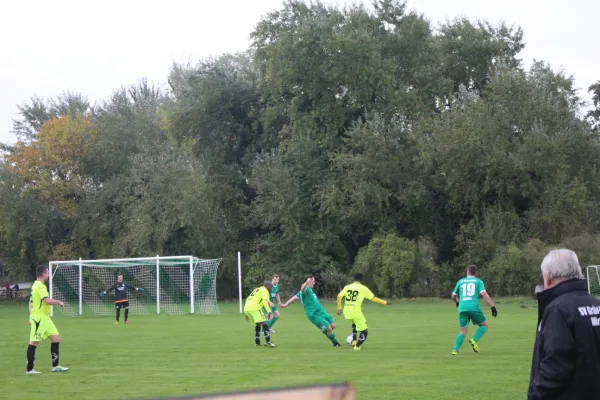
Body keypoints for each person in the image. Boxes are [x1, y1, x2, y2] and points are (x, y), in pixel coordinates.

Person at [528, 249, 600, 399]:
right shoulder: (596, 304)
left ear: (547, 278)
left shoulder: (559, 309)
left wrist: (535, 395)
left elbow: (556, 366)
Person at [26, 265, 69, 374]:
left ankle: (55, 366)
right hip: (39, 319)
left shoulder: (36, 285)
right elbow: (47, 301)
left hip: (45, 318)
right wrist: (59, 302)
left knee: (56, 338)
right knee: (34, 342)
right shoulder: (39, 286)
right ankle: (29, 369)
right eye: (48, 272)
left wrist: (31, 315)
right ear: (44, 274)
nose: (49, 275)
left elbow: (30, 304)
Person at [336, 273, 391, 351]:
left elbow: (339, 296)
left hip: (347, 311)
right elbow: (373, 298)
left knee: (354, 323)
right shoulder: (363, 288)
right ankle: (357, 346)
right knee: (365, 331)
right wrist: (385, 302)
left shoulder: (347, 287)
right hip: (355, 312)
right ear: (361, 280)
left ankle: (354, 341)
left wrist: (339, 309)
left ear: (353, 279)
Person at [281, 276, 341, 347]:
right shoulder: (305, 290)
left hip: (321, 311)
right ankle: (335, 343)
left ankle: (324, 330)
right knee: (329, 328)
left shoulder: (310, 290)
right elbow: (302, 288)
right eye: (313, 281)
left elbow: (294, 298)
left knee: (333, 325)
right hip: (314, 314)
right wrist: (306, 282)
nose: (314, 283)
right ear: (309, 281)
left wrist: (286, 304)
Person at [451, 265, 497, 355]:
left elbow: (453, 296)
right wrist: (492, 306)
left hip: (462, 308)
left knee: (462, 331)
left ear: (467, 272)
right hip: (474, 308)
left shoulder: (460, 281)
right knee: (484, 325)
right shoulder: (478, 282)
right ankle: (473, 340)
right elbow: (483, 294)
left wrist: (457, 302)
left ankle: (455, 350)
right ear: (475, 273)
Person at [244, 280, 275, 347]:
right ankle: (268, 341)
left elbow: (249, 298)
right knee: (264, 323)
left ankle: (257, 342)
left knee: (258, 324)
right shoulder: (265, 291)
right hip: (255, 308)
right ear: (267, 286)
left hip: (247, 308)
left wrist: (246, 313)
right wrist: (269, 311)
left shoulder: (257, 289)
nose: (271, 289)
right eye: (270, 287)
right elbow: (264, 301)